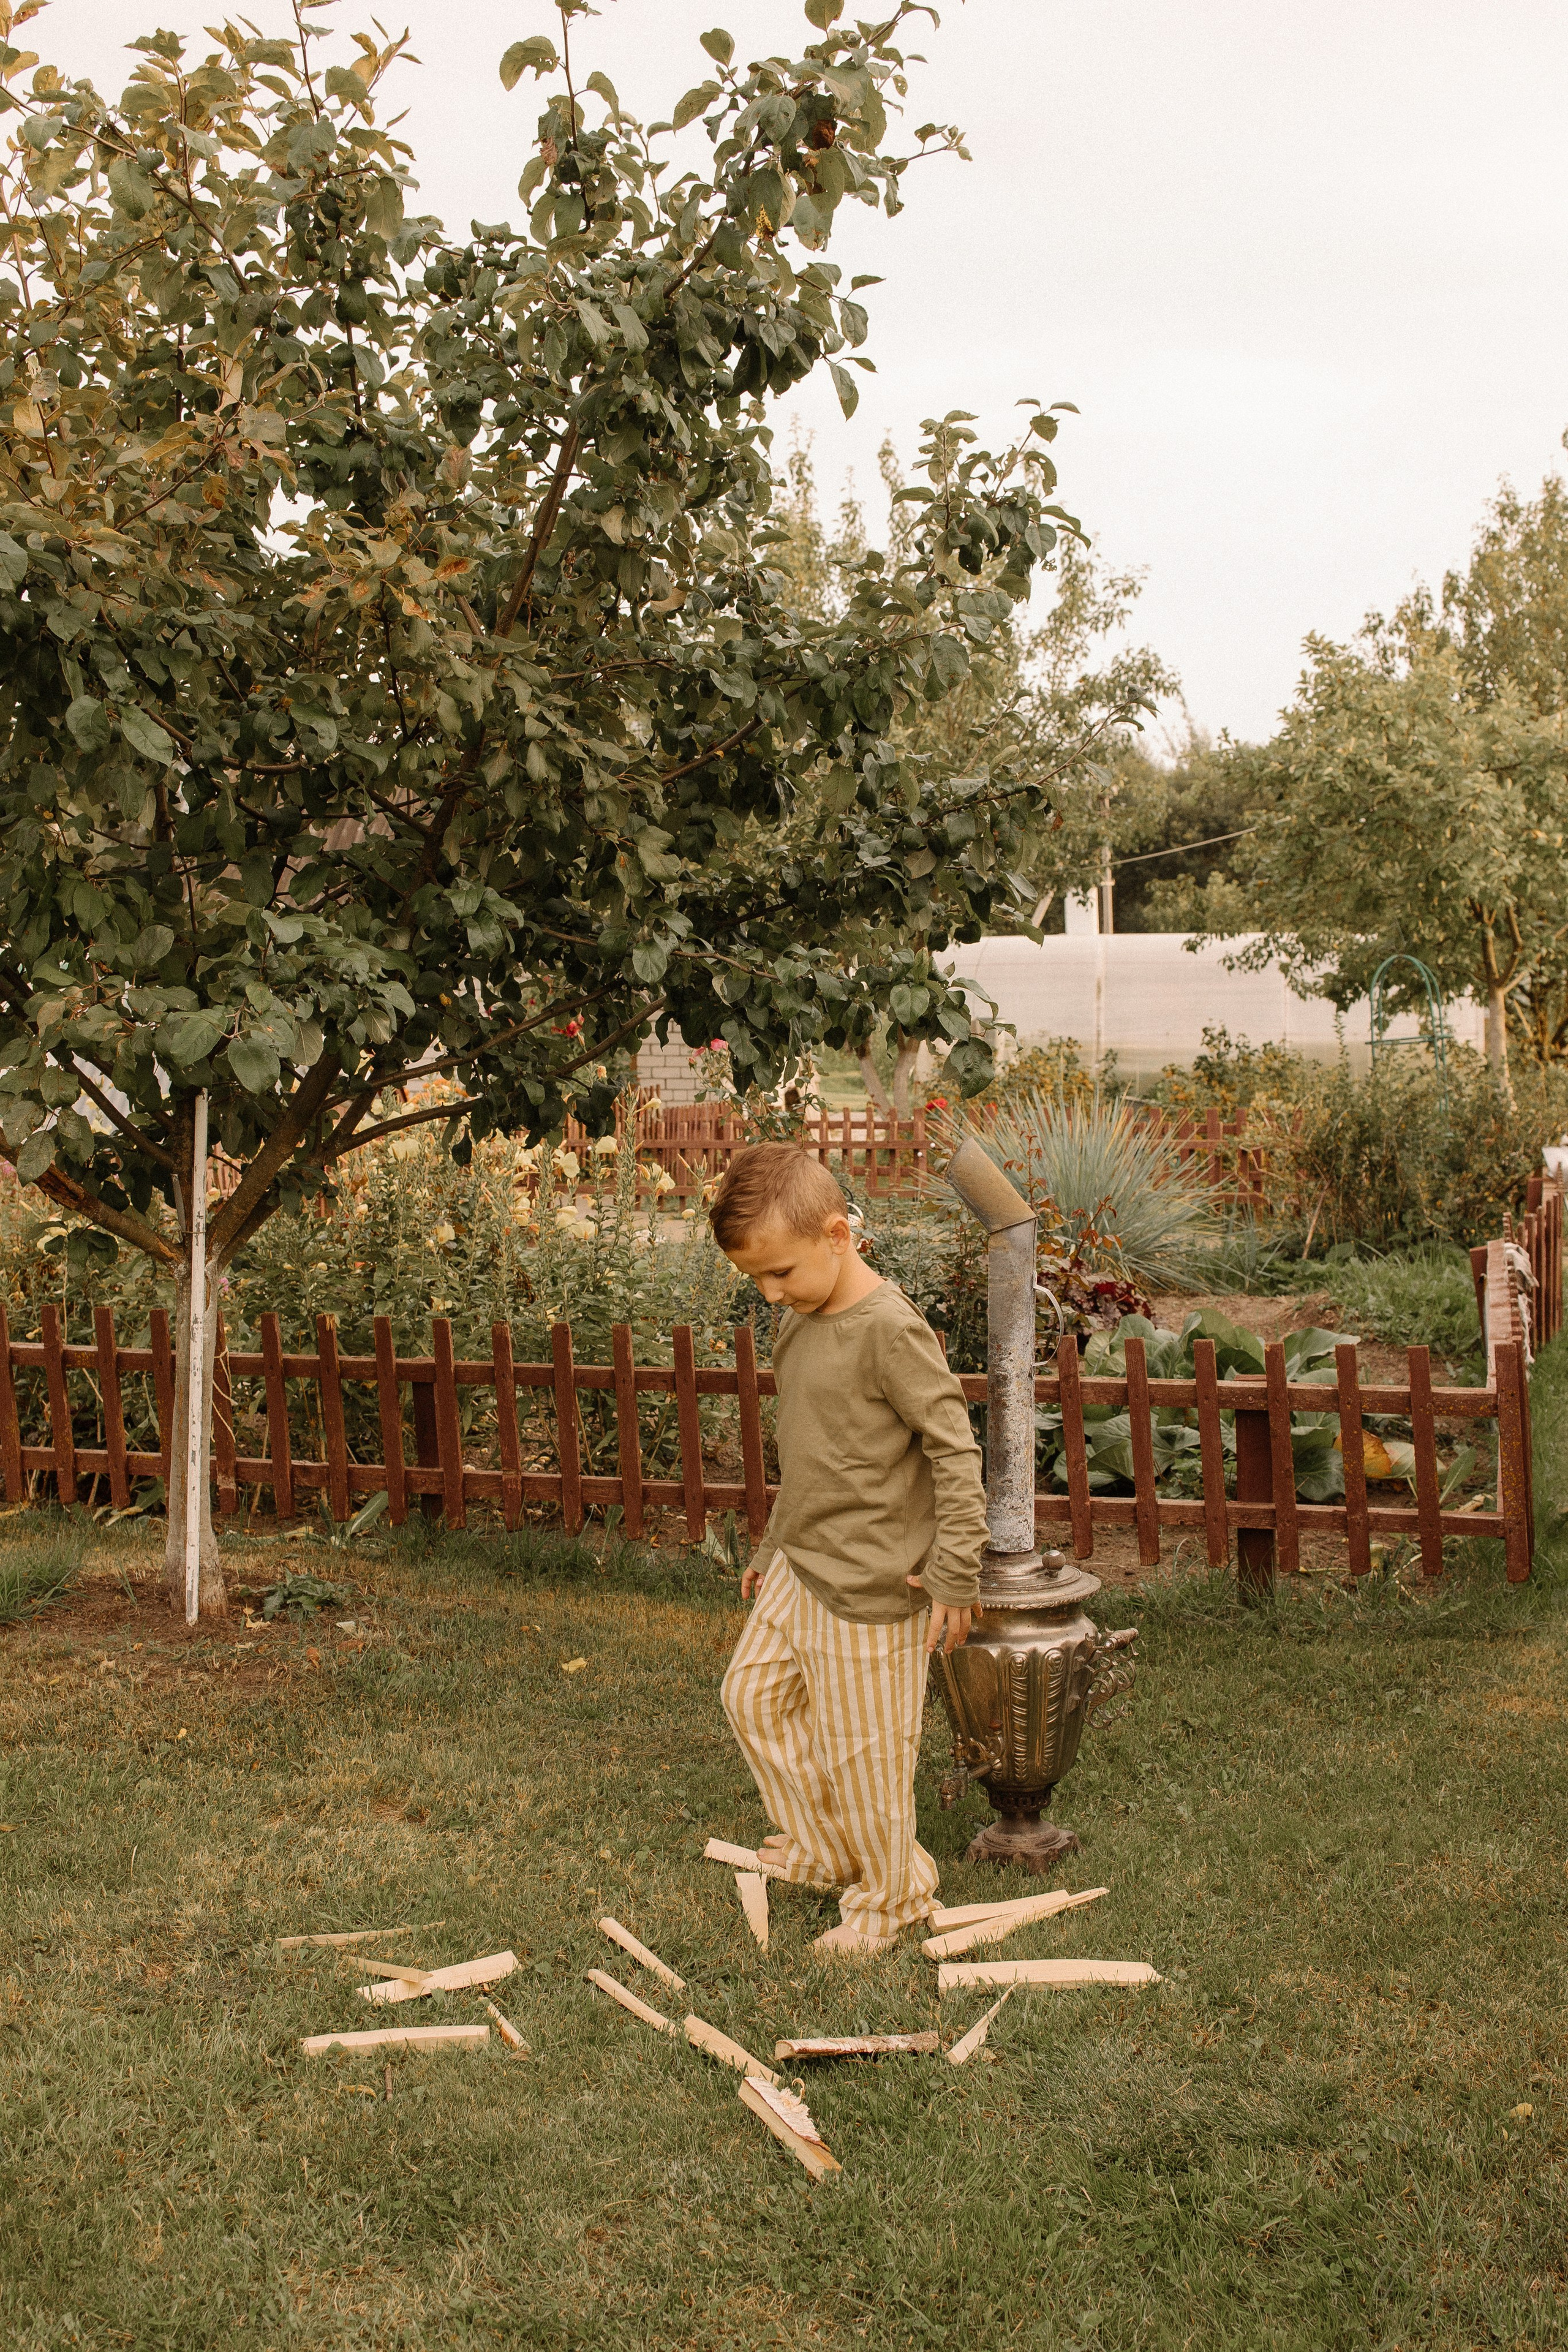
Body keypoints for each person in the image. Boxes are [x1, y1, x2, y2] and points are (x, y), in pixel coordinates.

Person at [710, 1140, 990, 1956]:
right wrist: (773, 1543)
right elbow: (810, 1452)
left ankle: (892, 1897)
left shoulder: (889, 1331)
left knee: (868, 1761)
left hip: (873, 1585)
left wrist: (954, 1572)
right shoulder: (800, 1324)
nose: (770, 1294)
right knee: (752, 1699)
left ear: (839, 1235)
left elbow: (954, 1452)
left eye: (781, 1273)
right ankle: (829, 1849)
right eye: (756, 1280)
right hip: (804, 1565)